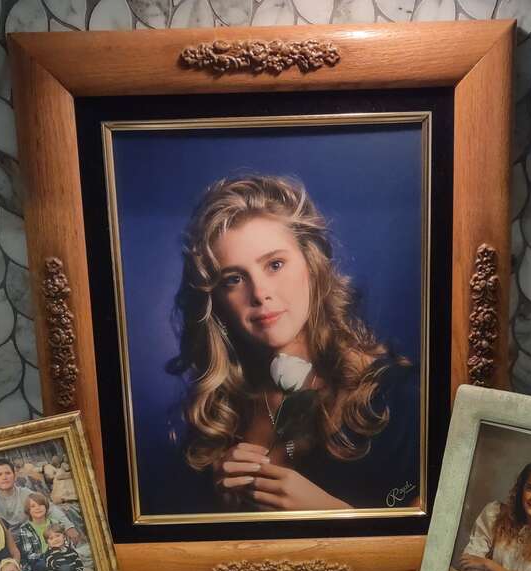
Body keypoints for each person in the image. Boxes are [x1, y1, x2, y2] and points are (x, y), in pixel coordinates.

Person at [167, 174, 420, 513]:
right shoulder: (220, 412)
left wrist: (336, 516)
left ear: (312, 265)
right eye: (234, 279)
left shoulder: (401, 397)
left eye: (275, 264)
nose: (260, 293)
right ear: (218, 301)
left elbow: (435, 542)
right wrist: (221, 504)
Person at [0, 459, 80, 540]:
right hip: (0, 539)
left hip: (27, 537)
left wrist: (68, 526)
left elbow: (50, 508)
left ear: (15, 476)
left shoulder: (24, 493)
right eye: (0, 474)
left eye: (8, 473)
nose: (4, 477)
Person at [14, 491, 57, 571]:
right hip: (38, 562)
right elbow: (29, 555)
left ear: (46, 507)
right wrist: (48, 555)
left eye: (40, 505)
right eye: (33, 506)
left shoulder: (55, 523)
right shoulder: (25, 529)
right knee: (47, 564)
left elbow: (65, 543)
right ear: (28, 510)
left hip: (58, 556)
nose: (38, 508)